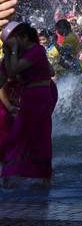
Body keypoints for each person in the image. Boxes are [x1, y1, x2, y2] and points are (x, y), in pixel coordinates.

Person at [1, 22, 56, 185]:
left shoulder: (37, 51)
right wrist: (9, 52)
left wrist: (13, 51)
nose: (13, 42)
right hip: (28, 98)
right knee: (17, 135)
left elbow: (14, 70)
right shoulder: (19, 53)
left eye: (16, 39)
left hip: (39, 97)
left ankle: (45, 177)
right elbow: (5, 75)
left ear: (25, 37)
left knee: (40, 136)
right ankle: (9, 175)